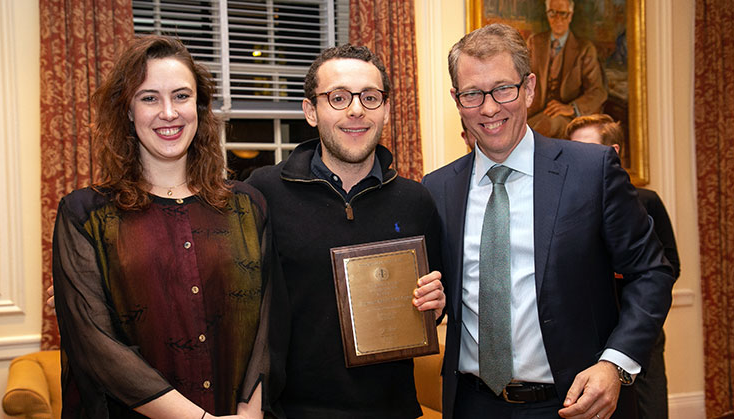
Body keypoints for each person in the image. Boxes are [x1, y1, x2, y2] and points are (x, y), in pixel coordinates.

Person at [422, 23, 674, 419]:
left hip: (576, 403)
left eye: (503, 88)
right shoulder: (437, 188)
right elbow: (443, 292)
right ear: (456, 99)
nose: (489, 108)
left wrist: (615, 364)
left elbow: (651, 274)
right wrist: (430, 305)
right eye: (472, 94)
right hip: (472, 404)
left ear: (529, 88)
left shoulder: (592, 171)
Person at [51, 36, 281, 419]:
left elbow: (268, 323)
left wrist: (250, 410)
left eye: (181, 96)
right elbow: (95, 344)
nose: (169, 112)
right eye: (149, 98)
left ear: (199, 106)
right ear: (127, 109)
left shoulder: (247, 206)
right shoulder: (84, 215)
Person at [245, 44, 446, 419]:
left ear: (386, 109)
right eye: (338, 97)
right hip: (292, 412)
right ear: (311, 110)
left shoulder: (416, 201)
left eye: (370, 97)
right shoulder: (264, 193)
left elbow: (431, 308)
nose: (356, 109)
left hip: (394, 410)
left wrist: (433, 303)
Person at [566, 114, 681, 419]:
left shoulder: (647, 200)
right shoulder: (567, 207)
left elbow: (667, 267)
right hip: (591, 334)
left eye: (587, 148)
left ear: (612, 151)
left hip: (639, 330)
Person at [526, 0, 607, 139]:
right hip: (535, 113)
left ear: (570, 16)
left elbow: (598, 92)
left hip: (567, 119)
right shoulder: (534, 42)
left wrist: (571, 108)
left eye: (562, 14)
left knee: (544, 126)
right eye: (552, 13)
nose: (557, 19)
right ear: (547, 14)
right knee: (521, 129)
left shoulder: (584, 49)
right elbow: (522, 79)